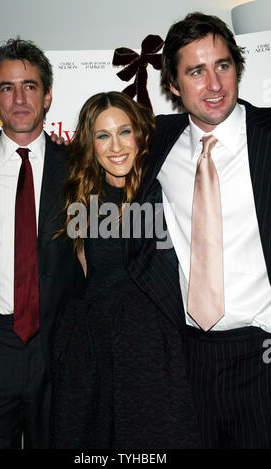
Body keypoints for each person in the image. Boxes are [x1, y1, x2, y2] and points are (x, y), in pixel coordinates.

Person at [127, 12, 271, 448]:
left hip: (262, 356)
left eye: (223, 66)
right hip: (187, 358)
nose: (214, 85)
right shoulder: (153, 143)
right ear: (173, 85)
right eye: (196, 71)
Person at [50, 91, 202, 449]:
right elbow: (84, 276)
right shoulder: (79, 198)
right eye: (102, 135)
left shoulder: (165, 187)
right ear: (90, 144)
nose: (115, 146)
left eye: (124, 131)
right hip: (95, 354)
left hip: (156, 353)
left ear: (141, 134)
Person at [0, 38, 82, 448]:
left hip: (59, 351)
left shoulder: (81, 169)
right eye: (6, 88)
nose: (19, 98)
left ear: (48, 94)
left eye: (30, 86)